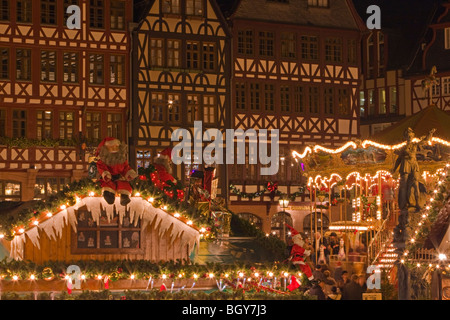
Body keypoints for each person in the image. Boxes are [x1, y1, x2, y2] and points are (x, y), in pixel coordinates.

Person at [392, 127, 435, 211]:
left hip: (414, 165)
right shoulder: (403, 148)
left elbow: (424, 141)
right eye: (408, 136)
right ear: (405, 137)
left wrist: (430, 134)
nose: (409, 137)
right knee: (404, 185)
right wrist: (394, 169)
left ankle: (417, 203)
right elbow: (399, 159)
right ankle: (404, 204)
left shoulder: (415, 145)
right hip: (405, 165)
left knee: (416, 184)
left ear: (412, 136)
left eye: (410, 136)